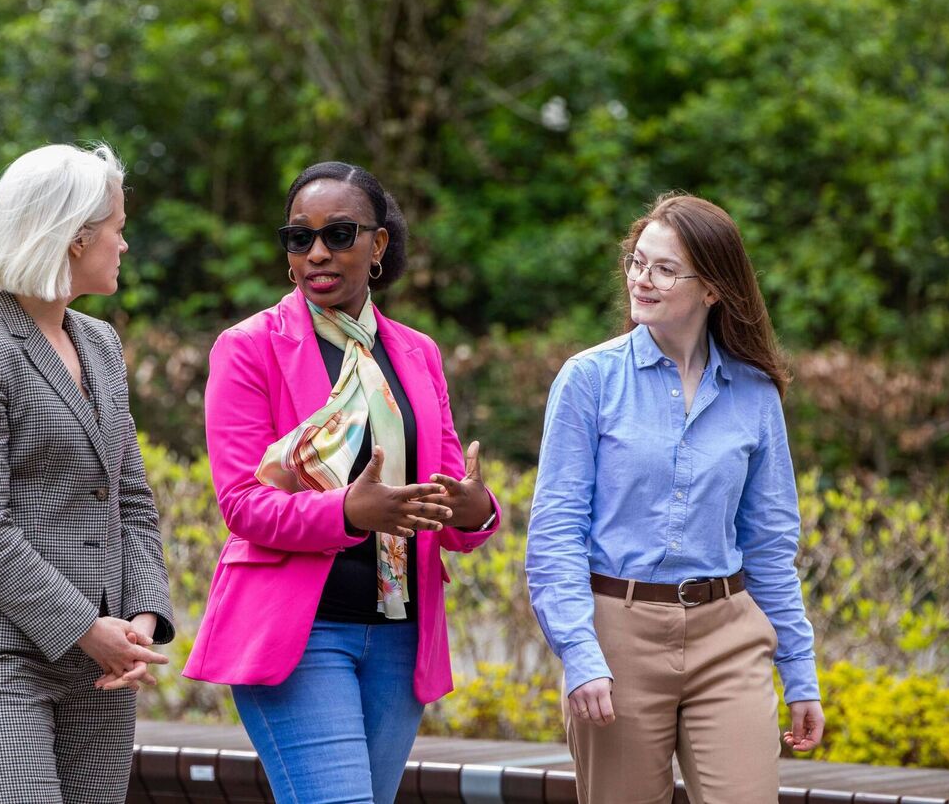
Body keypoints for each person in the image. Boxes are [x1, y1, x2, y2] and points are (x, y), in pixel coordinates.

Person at [183, 161, 500, 803]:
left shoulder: (417, 352)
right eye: (300, 238)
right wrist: (349, 513)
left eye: (341, 234)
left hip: (398, 632)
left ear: (378, 245)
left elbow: (443, 487)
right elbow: (244, 505)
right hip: (301, 635)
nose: (318, 253)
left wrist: (471, 508)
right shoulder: (249, 348)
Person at [526, 193, 824, 803]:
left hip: (729, 633)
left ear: (712, 288)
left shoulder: (754, 392)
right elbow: (555, 532)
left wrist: (798, 671)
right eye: (638, 262)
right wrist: (580, 652)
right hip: (618, 635)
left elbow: (769, 544)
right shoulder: (589, 380)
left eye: (665, 269)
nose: (642, 279)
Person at [0, 143, 175, 804]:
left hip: (101, 663)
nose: (124, 244)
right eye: (117, 228)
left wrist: (141, 620)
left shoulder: (101, 344)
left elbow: (131, 501)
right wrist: (88, 628)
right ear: (75, 237)